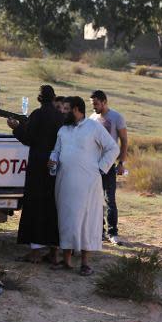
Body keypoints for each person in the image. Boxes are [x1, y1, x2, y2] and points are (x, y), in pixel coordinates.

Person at [49, 96, 119, 276]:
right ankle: (66, 261)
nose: (63, 112)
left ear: (77, 109)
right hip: (64, 182)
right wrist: (53, 161)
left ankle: (85, 263)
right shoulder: (63, 130)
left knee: (87, 222)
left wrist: (101, 168)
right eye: (62, 108)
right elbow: (56, 151)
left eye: (67, 109)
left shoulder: (93, 127)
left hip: (88, 183)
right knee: (66, 220)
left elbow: (113, 148)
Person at [7, 85, 64, 264]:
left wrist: (15, 127)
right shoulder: (60, 117)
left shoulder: (38, 115)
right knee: (52, 208)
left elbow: (28, 138)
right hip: (55, 167)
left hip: (38, 167)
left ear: (39, 99)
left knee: (34, 207)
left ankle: (35, 252)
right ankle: (53, 251)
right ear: (53, 98)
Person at [89, 90, 128, 245]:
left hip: (110, 164)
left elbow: (124, 141)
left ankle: (113, 233)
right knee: (95, 200)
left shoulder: (116, 117)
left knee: (109, 199)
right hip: (93, 165)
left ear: (104, 102)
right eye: (92, 105)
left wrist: (121, 163)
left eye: (96, 104)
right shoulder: (92, 118)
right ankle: (99, 232)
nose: (94, 107)